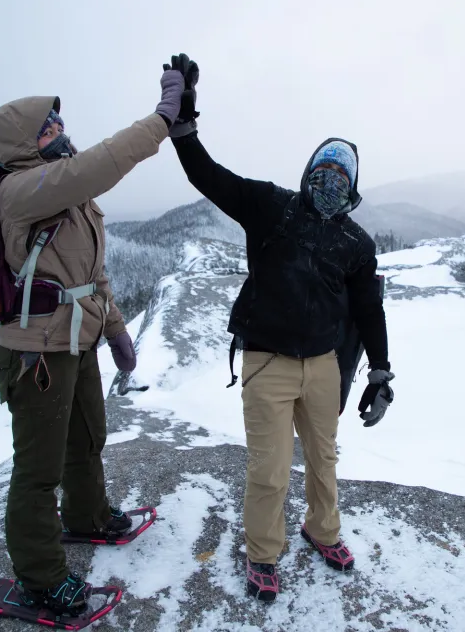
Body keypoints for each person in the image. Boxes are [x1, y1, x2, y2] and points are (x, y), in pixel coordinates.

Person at [163, 54, 394, 602]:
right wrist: (185, 124)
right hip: (266, 361)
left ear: (354, 186)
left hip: (322, 367)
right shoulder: (271, 206)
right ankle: (264, 552)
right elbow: (207, 175)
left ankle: (322, 530)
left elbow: (369, 310)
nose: (331, 179)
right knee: (269, 469)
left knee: (323, 458)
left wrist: (379, 372)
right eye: (325, 169)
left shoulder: (357, 244)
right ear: (309, 171)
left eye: (342, 174)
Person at [0, 67, 184, 615]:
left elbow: (92, 273)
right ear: (25, 144)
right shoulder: (23, 188)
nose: (61, 129)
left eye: (59, 121)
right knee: (38, 470)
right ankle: (41, 579)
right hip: (36, 352)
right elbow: (104, 163)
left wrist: (115, 328)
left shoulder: (65, 192)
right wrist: (163, 117)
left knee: (87, 438)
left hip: (76, 340)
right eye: (48, 127)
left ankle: (88, 516)